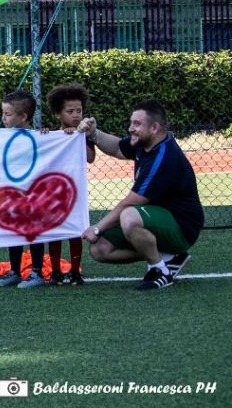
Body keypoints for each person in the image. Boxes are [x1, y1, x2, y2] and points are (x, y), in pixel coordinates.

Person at [77, 99, 202, 290]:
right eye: (131, 123)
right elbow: (118, 148)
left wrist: (97, 228)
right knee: (100, 249)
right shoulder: (145, 143)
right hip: (156, 217)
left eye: (136, 124)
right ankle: (169, 256)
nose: (130, 128)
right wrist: (93, 133)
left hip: (182, 226)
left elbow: (130, 203)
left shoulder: (164, 157)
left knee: (129, 215)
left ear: (154, 127)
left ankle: (160, 270)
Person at [0, 90, 51, 288]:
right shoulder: (1, 138)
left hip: (33, 195)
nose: (3, 118)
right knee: (15, 231)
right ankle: (15, 271)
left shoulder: (38, 136)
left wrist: (50, 135)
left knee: (32, 231)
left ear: (24, 116)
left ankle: (36, 273)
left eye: (8, 114)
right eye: (3, 113)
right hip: (12, 195)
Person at [46, 83, 95, 285]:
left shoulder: (82, 135)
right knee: (54, 230)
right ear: (58, 114)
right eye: (70, 111)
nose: (75, 115)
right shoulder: (52, 135)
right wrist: (47, 136)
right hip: (52, 191)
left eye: (79, 111)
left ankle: (75, 272)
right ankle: (56, 271)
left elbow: (90, 157)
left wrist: (81, 138)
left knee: (75, 230)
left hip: (75, 191)